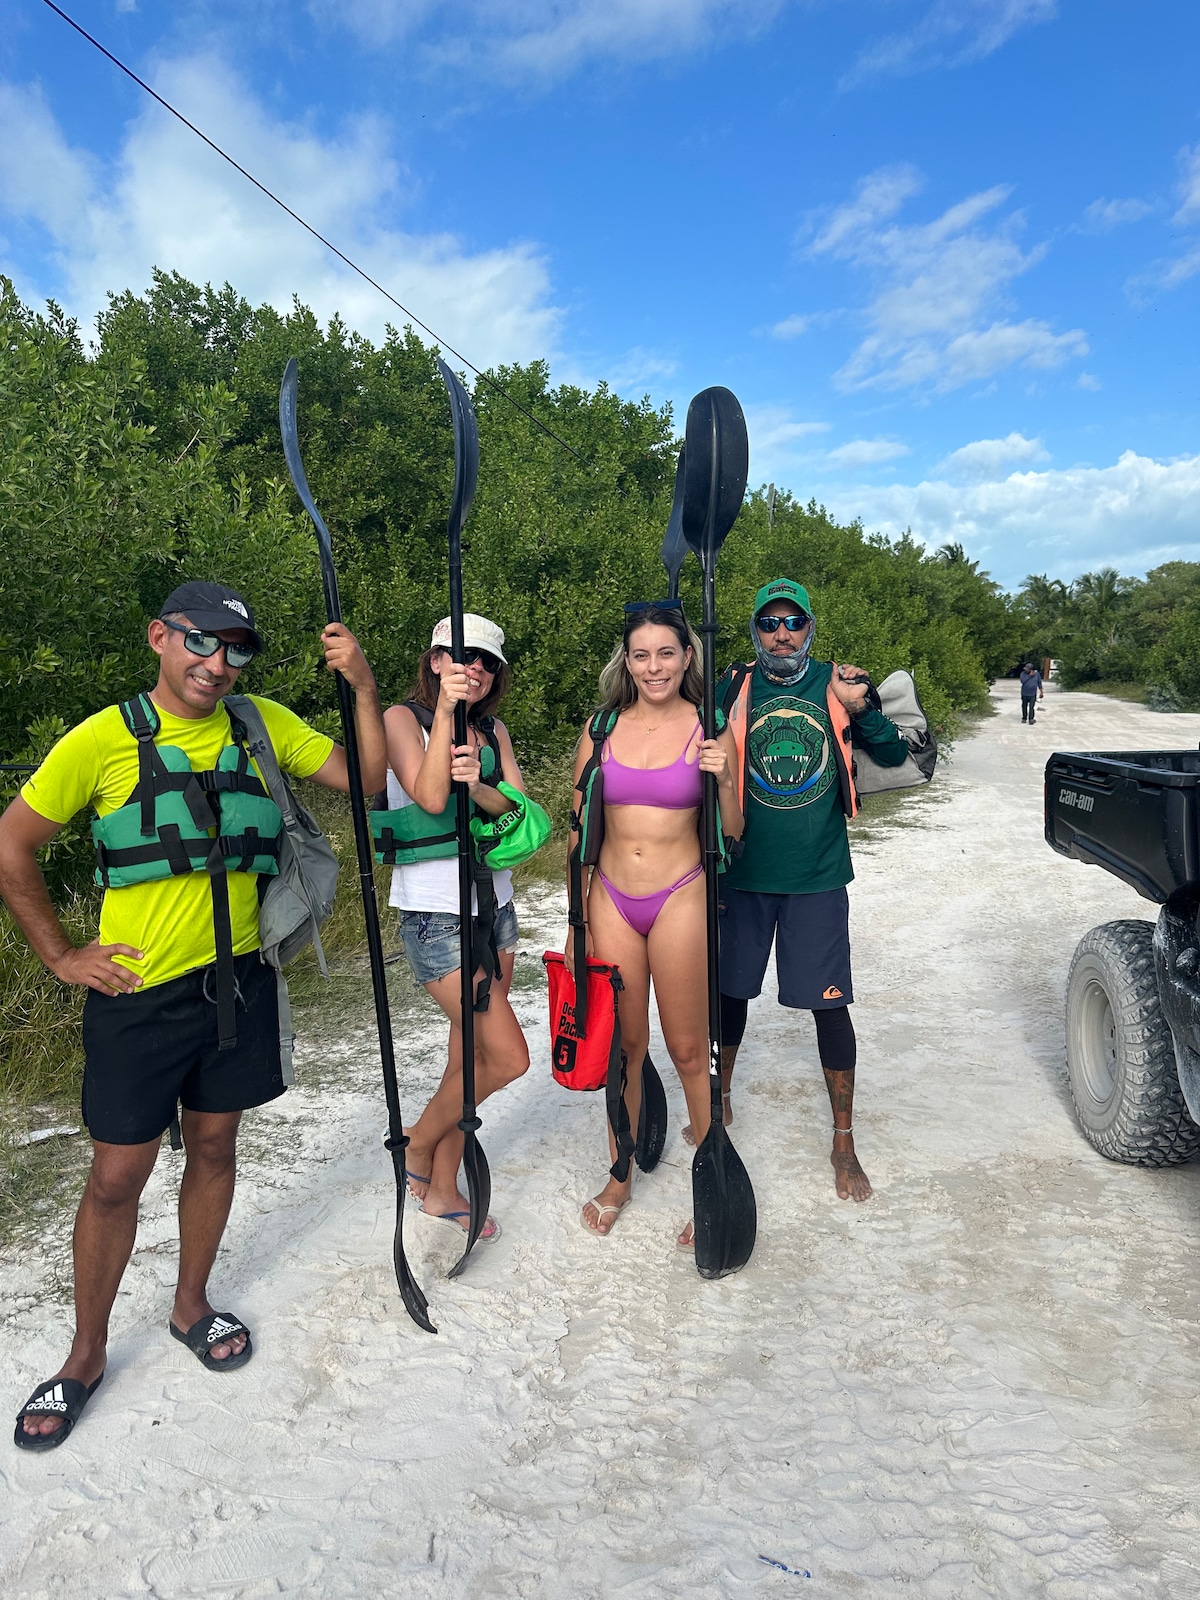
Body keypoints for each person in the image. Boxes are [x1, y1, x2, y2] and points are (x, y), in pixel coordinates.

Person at [0, 582, 386, 1450]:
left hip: (239, 985)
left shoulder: (260, 725)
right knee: (114, 1179)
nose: (219, 664)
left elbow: (365, 782)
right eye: (202, 643)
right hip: (137, 999)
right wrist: (62, 957)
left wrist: (361, 685)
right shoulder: (105, 738)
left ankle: (190, 1307)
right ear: (160, 639)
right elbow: (10, 841)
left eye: (237, 649)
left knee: (216, 1146)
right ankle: (85, 1354)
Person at [688, 578, 909, 1226]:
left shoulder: (834, 687)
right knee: (731, 994)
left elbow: (894, 752)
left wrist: (862, 704)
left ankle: (843, 1140)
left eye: (793, 622)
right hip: (744, 872)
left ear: (810, 627)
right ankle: (720, 1095)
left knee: (828, 1008)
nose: (781, 634)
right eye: (769, 623)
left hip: (817, 877)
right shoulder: (734, 686)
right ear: (755, 631)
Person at [572, 602, 743, 1237]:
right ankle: (621, 1174)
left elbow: (734, 829)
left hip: (680, 894)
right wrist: (574, 921)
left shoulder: (711, 728)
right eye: (641, 654)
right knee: (626, 1048)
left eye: (666, 653)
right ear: (627, 660)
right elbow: (578, 830)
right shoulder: (602, 726)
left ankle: (712, 1170)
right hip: (611, 895)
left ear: (687, 656)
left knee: (688, 1047)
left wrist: (725, 781)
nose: (653, 666)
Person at [382, 615, 529, 1240]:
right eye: (458, 656)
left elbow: (521, 811)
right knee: (508, 1058)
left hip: (493, 908)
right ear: (435, 660)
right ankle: (416, 1145)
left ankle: (441, 1188)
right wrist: (445, 715)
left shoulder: (494, 731)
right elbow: (431, 798)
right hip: (437, 913)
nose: (473, 668)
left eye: (486, 662)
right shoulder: (401, 719)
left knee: (466, 1057)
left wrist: (485, 782)